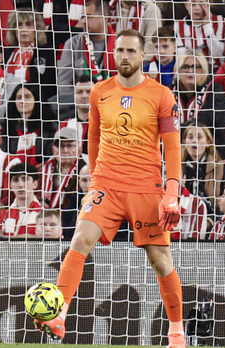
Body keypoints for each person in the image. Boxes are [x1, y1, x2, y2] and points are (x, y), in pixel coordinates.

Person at [33, 29, 185, 348]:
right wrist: (94, 172)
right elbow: (93, 136)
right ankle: (58, 315)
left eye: (131, 51)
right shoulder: (99, 91)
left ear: (144, 56)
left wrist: (172, 193)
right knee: (80, 239)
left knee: (160, 260)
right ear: (113, 54)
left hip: (146, 187)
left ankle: (176, 330)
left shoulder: (161, 95)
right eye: (119, 51)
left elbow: (172, 147)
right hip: (107, 185)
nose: (124, 56)